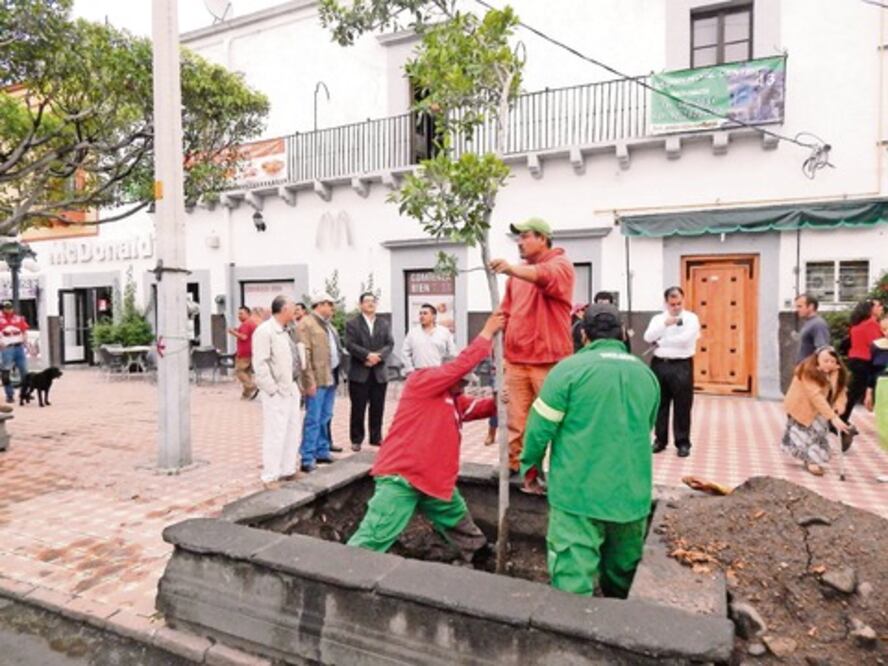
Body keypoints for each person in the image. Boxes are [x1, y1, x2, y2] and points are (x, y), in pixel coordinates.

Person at [520, 304, 660, 598]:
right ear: (622, 334)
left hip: (577, 497)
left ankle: (574, 640)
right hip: (631, 499)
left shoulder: (567, 371)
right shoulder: (647, 376)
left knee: (572, 585)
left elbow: (538, 431)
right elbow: (646, 427)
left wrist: (530, 469)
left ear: (582, 335)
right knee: (623, 578)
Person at [347, 313, 504, 561]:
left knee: (456, 515)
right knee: (376, 532)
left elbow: (481, 407)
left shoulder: (455, 399)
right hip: (403, 475)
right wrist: (486, 334)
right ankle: (343, 567)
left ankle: (479, 553)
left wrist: (500, 400)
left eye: (464, 383)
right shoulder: (422, 381)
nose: (463, 386)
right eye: (460, 382)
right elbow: (459, 366)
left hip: (433, 477)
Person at [490, 217, 575, 492]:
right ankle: (514, 466)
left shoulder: (561, 265)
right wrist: (497, 354)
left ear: (542, 237)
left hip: (549, 363)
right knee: (516, 421)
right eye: (518, 237)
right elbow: (505, 312)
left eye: (525, 236)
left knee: (550, 423)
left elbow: (545, 276)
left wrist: (511, 269)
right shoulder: (517, 277)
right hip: (515, 360)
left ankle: (548, 473)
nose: (520, 242)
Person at [644, 286, 700, 458]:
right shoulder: (658, 319)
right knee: (660, 403)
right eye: (672, 304)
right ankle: (660, 440)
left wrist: (662, 341)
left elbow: (685, 340)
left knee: (682, 405)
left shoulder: (691, 318)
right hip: (660, 363)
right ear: (666, 303)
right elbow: (648, 337)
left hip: (681, 364)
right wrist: (664, 325)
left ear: (683, 301)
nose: (676, 307)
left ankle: (683, 442)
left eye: (679, 303)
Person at [252, 296, 302, 485]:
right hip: (277, 391)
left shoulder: (288, 330)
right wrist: (272, 389)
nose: (296, 311)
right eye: (293, 307)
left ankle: (287, 469)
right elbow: (260, 364)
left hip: (292, 386)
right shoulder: (265, 331)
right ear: (283, 309)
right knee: (275, 432)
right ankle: (270, 475)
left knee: (292, 429)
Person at [780, 346, 850, 476]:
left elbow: (841, 391)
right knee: (803, 434)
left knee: (819, 433)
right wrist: (832, 418)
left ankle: (813, 460)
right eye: (826, 361)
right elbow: (815, 396)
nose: (829, 364)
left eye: (833, 361)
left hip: (822, 409)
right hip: (802, 406)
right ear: (817, 360)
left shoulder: (837, 373)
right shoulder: (807, 371)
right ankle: (811, 461)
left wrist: (839, 406)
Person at [298, 292, 342, 472]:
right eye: (330, 304)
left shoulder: (328, 325)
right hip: (316, 378)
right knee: (313, 418)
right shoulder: (306, 324)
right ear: (320, 304)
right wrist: (309, 381)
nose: (332, 308)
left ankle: (322, 450)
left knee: (326, 416)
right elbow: (304, 356)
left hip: (330, 376)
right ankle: (307, 457)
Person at [346, 292, 394, 451]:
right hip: (360, 371)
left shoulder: (384, 323)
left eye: (373, 301)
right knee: (358, 408)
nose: (370, 304)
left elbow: (390, 344)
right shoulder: (353, 324)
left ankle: (376, 437)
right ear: (360, 305)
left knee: (378, 407)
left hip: (379, 372)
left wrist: (378, 357)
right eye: (366, 301)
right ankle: (356, 439)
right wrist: (366, 355)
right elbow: (350, 345)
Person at [841, 299, 885, 449]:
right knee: (854, 395)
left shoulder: (857, 325)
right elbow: (878, 346)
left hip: (856, 361)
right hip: (865, 362)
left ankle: (842, 422)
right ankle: (841, 423)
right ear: (870, 309)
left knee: (852, 395)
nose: (881, 308)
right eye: (878, 306)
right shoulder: (871, 324)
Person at [401, 303, 457, 374]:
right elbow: (405, 352)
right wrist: (410, 369)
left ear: (433, 316)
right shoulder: (413, 333)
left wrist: (448, 370)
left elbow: (452, 353)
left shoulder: (444, 332)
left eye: (425, 313)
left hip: (438, 372)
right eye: (420, 314)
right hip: (419, 373)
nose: (422, 316)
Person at [0, 300, 30, 404]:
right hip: (7, 348)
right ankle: (9, 395)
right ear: (2, 309)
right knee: (6, 372)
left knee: (24, 371)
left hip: (19, 347)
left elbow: (24, 331)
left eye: (10, 307)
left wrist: (26, 341)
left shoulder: (18, 318)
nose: (9, 309)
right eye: (6, 308)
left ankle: (25, 393)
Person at [228, 306, 259, 400]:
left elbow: (244, 337)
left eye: (241, 313)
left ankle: (251, 386)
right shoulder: (251, 323)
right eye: (238, 313)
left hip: (244, 352)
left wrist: (232, 332)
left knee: (239, 371)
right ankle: (246, 394)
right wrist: (237, 330)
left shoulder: (246, 324)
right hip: (251, 351)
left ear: (248, 314)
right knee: (247, 373)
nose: (239, 316)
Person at [794, 293, 830, 363]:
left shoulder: (818, 324)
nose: (797, 310)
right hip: (803, 369)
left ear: (811, 306)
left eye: (800, 306)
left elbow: (822, 349)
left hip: (810, 370)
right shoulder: (809, 322)